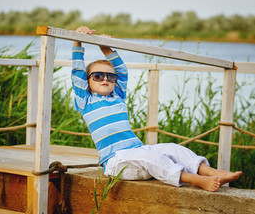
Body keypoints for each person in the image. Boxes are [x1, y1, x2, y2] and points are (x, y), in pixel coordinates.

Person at [71, 26, 242, 192]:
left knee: (173, 148)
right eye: (98, 76)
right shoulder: (86, 101)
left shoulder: (118, 96)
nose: (105, 79)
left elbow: (122, 70)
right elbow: (77, 71)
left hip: (138, 150)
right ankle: (196, 180)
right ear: (88, 81)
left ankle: (213, 173)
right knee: (150, 157)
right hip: (116, 162)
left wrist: (105, 47)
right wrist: (78, 41)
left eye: (111, 76)